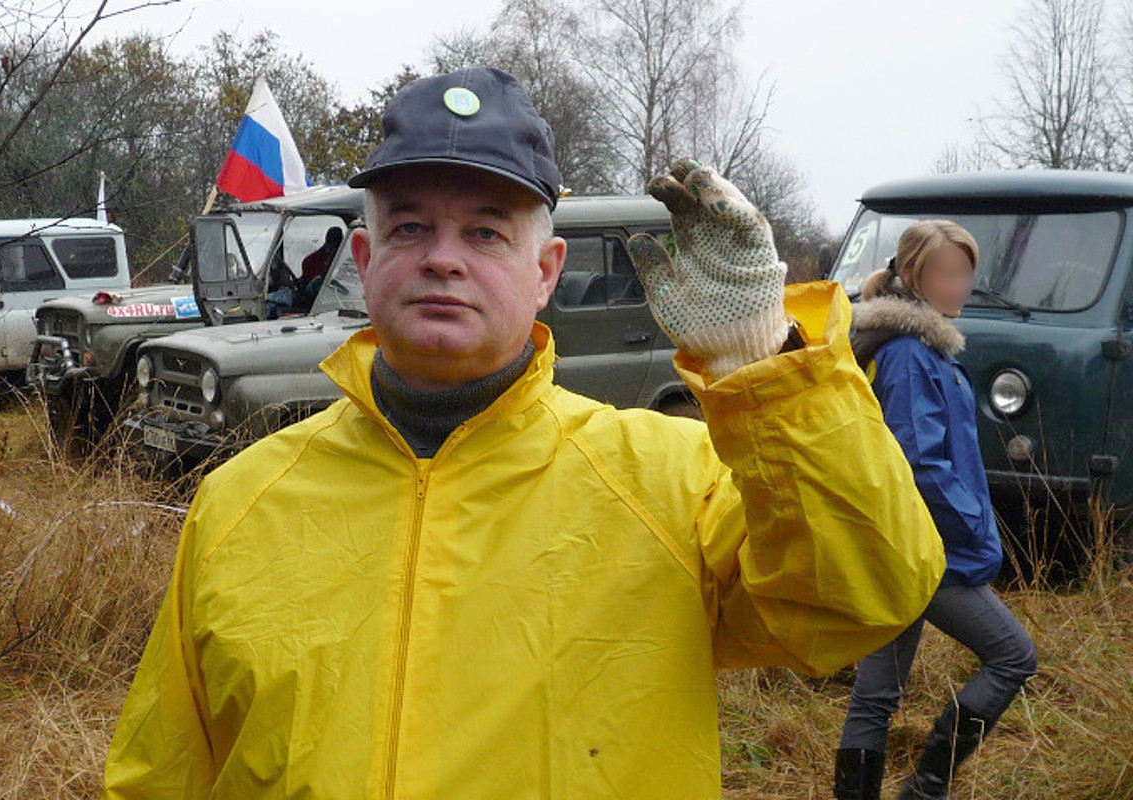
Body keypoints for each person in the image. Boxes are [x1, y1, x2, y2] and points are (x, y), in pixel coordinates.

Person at [102, 67, 945, 799]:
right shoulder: (241, 501)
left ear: (545, 273)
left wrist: (760, 362)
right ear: (363, 261)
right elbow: (163, 774)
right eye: (409, 227)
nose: (442, 257)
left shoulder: (672, 480)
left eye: (484, 232)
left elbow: (865, 594)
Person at [833, 220, 1038, 800]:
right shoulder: (907, 355)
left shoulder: (929, 348)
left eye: (967, 272)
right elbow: (919, 466)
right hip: (927, 549)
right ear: (914, 277)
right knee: (1014, 656)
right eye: (948, 272)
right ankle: (925, 791)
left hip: (905, 546)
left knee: (876, 693)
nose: (961, 284)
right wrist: (974, 527)